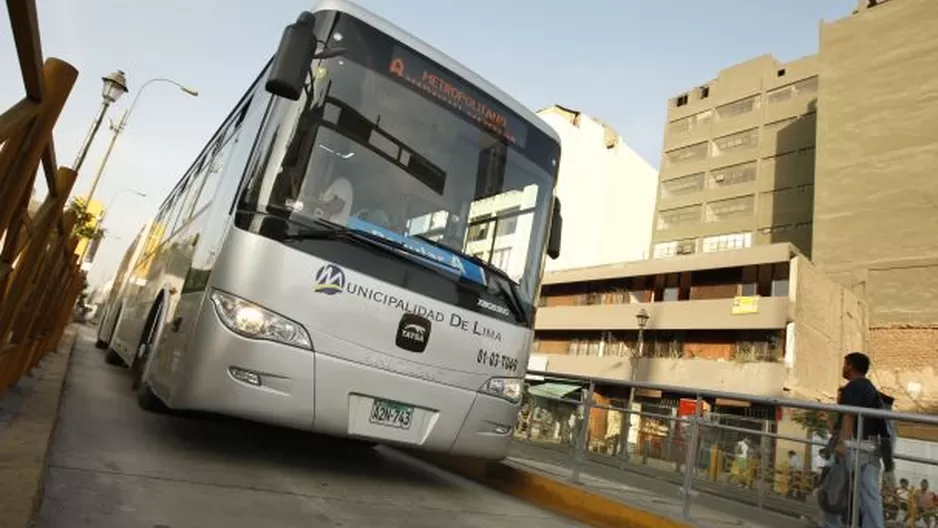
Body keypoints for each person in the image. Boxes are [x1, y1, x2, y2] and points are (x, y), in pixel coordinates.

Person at [823, 352, 888, 528]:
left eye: (845, 364)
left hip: (854, 446)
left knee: (833, 486)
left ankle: (832, 525)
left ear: (850, 366)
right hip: (871, 446)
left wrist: (842, 445)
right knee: (870, 495)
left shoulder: (852, 387)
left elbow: (849, 417)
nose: (843, 368)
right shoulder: (870, 388)